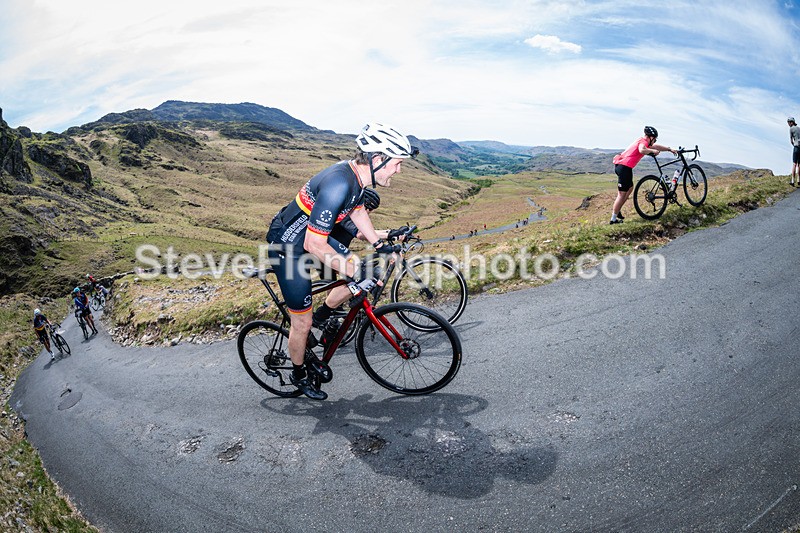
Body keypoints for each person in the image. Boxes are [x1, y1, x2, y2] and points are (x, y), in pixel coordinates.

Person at [266, 123, 417, 400]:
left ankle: (324, 319)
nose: (398, 170)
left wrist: (380, 245)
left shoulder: (357, 179)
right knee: (302, 322)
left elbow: (357, 211)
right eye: (396, 164)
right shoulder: (339, 184)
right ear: (377, 159)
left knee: (359, 274)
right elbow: (314, 244)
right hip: (289, 248)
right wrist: (357, 270)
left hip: (309, 239)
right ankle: (298, 374)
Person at [610, 126, 677, 224]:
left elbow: (656, 146)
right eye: (654, 139)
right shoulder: (644, 142)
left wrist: (669, 149)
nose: (654, 141)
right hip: (624, 167)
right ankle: (613, 219)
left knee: (630, 189)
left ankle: (617, 209)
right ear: (650, 137)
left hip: (624, 167)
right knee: (621, 194)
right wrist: (652, 151)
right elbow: (642, 150)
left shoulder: (643, 141)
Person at [789, 117, 800, 186]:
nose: (788, 124)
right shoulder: (799, 128)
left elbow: (791, 140)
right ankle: (799, 180)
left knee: (794, 164)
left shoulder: (791, 129)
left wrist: (794, 145)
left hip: (796, 147)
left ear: (791, 122)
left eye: (789, 122)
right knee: (799, 165)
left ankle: (792, 181)